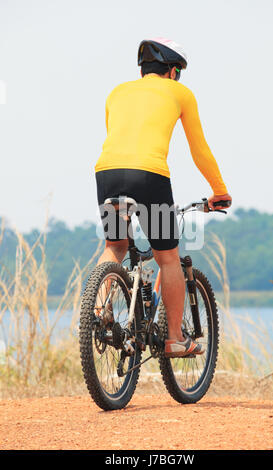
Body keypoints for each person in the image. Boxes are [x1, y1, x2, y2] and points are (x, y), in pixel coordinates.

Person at [95, 37, 232, 357]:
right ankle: (173, 338)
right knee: (167, 257)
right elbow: (200, 150)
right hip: (148, 175)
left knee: (114, 246)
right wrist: (219, 191)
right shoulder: (180, 93)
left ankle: (98, 313)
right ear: (172, 72)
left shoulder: (116, 92)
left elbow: (118, 137)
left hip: (107, 172)